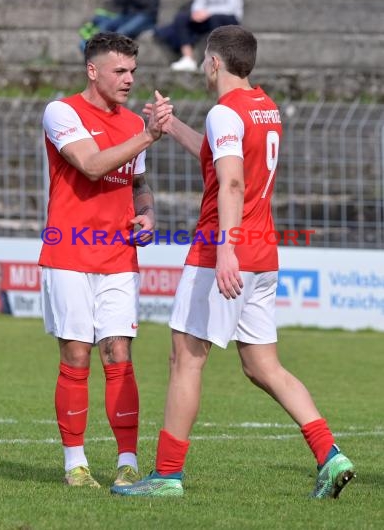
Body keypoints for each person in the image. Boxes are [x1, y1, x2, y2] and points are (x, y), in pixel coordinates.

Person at [111, 25, 356, 498]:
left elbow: (232, 184)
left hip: (224, 252)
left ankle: (166, 475)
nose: (204, 67)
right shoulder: (265, 107)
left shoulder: (225, 112)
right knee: (263, 366)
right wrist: (169, 125)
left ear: (215, 63)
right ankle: (330, 454)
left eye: (205, 60)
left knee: (185, 357)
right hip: (263, 254)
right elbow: (220, 160)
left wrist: (225, 248)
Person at [39, 32, 172, 488]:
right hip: (69, 253)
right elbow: (92, 164)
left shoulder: (134, 122)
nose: (129, 79)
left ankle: (127, 460)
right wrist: (149, 136)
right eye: (120, 71)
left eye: (133, 71)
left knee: (119, 353)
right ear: (92, 71)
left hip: (119, 256)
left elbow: (138, 185)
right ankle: (74, 463)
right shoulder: (62, 112)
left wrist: (149, 213)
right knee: (76, 355)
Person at [155, 0, 243, 72]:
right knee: (182, 18)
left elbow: (231, 7)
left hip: (229, 17)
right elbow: (199, 2)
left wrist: (208, 11)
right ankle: (188, 58)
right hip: (207, 16)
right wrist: (196, 12)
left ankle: (211, 60)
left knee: (215, 19)